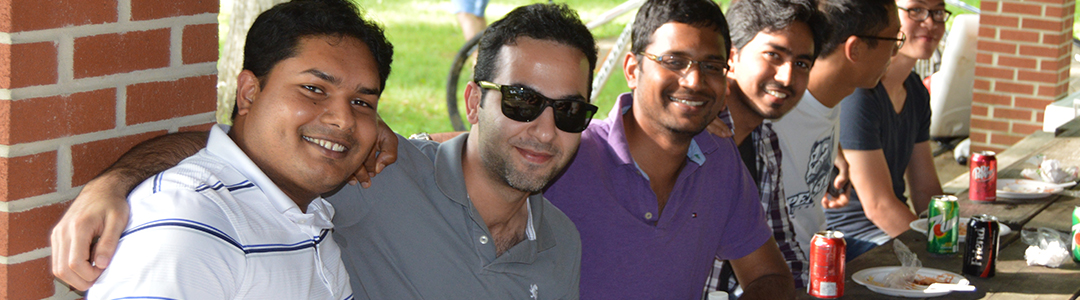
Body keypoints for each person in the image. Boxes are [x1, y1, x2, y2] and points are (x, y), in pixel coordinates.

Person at [51, 3, 597, 299]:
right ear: (475, 102)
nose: (545, 130)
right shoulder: (375, 179)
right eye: (523, 102)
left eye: (570, 111)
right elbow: (253, 153)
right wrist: (115, 182)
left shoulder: (564, 242)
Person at [83, 0, 392, 298]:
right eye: (313, 89)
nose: (343, 120)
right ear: (248, 93)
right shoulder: (191, 219)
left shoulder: (303, 210)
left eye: (361, 102)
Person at [542, 0, 793, 298]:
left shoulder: (718, 158)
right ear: (633, 70)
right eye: (674, 61)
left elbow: (770, 275)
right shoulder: (567, 157)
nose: (694, 80)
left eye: (712, 66)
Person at [701, 0, 827, 292]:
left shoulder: (766, 142)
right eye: (773, 55)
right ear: (731, 56)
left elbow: (781, 244)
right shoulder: (695, 132)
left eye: (801, 64)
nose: (786, 77)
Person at [770, 0, 903, 260]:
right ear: (856, 48)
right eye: (893, 39)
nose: (895, 52)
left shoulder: (833, 97)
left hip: (819, 252)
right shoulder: (775, 108)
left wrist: (835, 151)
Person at [826, 0, 948, 259]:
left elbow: (926, 190)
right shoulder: (859, 93)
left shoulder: (914, 89)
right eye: (916, 10)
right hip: (852, 238)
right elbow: (878, 206)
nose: (930, 22)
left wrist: (951, 238)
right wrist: (934, 255)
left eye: (938, 12)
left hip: (893, 229)